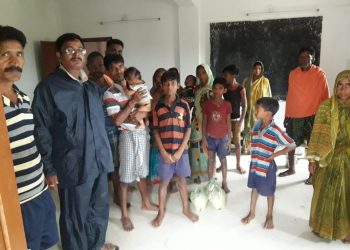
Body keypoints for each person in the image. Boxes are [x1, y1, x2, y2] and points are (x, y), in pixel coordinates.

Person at [32, 33, 115, 250]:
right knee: (74, 218)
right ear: (59, 55)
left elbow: (99, 123)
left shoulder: (90, 87)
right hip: (73, 165)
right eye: (70, 50)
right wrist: (49, 168)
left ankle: (95, 246)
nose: (76, 54)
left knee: (98, 210)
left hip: (99, 161)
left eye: (80, 50)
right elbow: (41, 130)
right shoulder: (49, 88)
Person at [0, 25, 58, 250]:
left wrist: (48, 172)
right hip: (18, 202)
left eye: (19, 54)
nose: (15, 61)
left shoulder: (24, 98)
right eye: (5, 54)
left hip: (40, 191)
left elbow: (33, 140)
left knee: (48, 242)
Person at [103, 56, 157, 232]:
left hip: (142, 133)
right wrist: (132, 103)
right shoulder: (110, 93)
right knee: (125, 177)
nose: (119, 71)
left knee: (142, 172)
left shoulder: (136, 85)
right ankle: (124, 215)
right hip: (126, 135)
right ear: (109, 72)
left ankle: (145, 202)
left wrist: (142, 113)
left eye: (121, 66)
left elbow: (149, 106)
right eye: (114, 68)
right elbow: (118, 121)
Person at [307, 70, 350, 243]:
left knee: (346, 196)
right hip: (328, 157)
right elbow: (317, 134)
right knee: (325, 193)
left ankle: (345, 231)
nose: (343, 90)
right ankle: (321, 226)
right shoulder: (326, 107)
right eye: (340, 85)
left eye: (348, 86)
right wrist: (312, 159)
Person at [152, 70, 199, 227]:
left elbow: (188, 129)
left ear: (178, 86)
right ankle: (161, 213)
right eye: (166, 84)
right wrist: (164, 152)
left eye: (173, 83)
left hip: (181, 152)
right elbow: (156, 131)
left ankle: (186, 209)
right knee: (164, 183)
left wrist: (180, 151)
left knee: (181, 181)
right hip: (165, 152)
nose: (169, 87)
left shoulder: (184, 105)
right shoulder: (158, 107)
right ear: (162, 86)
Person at [241, 97, 296, 229]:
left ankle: (269, 215)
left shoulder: (275, 130)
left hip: (267, 168)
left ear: (268, 113)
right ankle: (252, 212)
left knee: (269, 192)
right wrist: (251, 146)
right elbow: (255, 141)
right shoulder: (256, 125)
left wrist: (275, 155)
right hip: (254, 164)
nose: (255, 112)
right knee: (254, 189)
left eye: (257, 109)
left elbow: (292, 145)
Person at [279, 47, 330, 185]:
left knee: (313, 145)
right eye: (301, 57)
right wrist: (287, 115)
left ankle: (312, 174)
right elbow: (291, 96)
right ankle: (291, 168)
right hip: (295, 115)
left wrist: (325, 117)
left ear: (313, 58)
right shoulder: (293, 74)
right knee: (291, 142)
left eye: (307, 56)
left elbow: (326, 97)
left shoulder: (320, 74)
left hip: (313, 115)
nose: (303, 59)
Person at [202, 77, 232, 193]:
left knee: (223, 160)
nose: (217, 91)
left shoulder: (227, 105)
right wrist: (204, 138)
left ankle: (224, 182)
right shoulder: (207, 104)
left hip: (223, 138)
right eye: (215, 88)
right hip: (210, 137)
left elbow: (228, 121)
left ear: (224, 90)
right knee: (210, 160)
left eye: (220, 88)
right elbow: (204, 121)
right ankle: (210, 183)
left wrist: (230, 139)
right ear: (212, 89)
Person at [190, 64, 214, 184]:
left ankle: (208, 174)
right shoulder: (196, 89)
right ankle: (197, 174)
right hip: (196, 123)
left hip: (208, 124)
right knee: (195, 147)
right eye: (198, 73)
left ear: (208, 73)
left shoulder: (213, 90)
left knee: (207, 147)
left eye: (203, 72)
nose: (201, 75)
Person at [222, 64, 247, 174]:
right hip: (225, 120)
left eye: (226, 75)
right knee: (224, 143)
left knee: (237, 144)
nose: (225, 78)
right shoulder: (225, 89)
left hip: (236, 120)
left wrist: (241, 122)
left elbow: (245, 106)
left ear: (233, 75)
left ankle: (238, 164)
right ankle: (223, 165)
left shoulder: (241, 89)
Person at [242, 61, 271, 152]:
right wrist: (244, 108)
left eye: (259, 68)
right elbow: (243, 95)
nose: (257, 70)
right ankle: (247, 149)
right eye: (255, 68)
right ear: (252, 69)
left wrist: (268, 111)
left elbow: (268, 95)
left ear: (262, 70)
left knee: (260, 129)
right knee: (249, 128)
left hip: (261, 111)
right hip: (249, 110)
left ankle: (259, 149)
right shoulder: (247, 81)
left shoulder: (265, 81)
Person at [148, 67, 166, 185]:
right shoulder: (152, 92)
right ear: (154, 79)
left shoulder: (169, 90)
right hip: (154, 124)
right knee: (156, 148)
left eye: (162, 76)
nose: (160, 79)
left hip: (166, 124)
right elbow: (150, 109)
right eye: (158, 76)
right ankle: (157, 175)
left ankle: (169, 176)